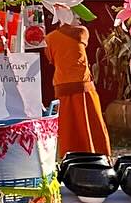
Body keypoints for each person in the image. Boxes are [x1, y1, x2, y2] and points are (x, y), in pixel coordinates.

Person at [43, 21, 111, 159]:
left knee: (68, 126)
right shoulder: (83, 32)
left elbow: (51, 59)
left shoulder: (49, 38)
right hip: (83, 84)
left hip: (62, 84)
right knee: (91, 123)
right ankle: (97, 153)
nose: (79, 21)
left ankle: (69, 156)